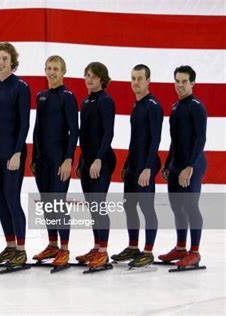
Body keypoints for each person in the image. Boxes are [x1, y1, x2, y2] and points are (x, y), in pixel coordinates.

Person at [0, 42, 31, 268]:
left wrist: (18, 152)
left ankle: (21, 250)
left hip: (13, 154)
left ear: (12, 61)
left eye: (5, 58)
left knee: (12, 199)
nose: (1, 62)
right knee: (0, 201)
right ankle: (10, 246)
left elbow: (24, 123)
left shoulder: (21, 86)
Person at [111, 64, 163, 268]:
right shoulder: (136, 105)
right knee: (129, 205)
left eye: (140, 78)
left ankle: (148, 251)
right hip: (133, 165)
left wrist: (149, 168)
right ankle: (133, 247)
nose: (136, 82)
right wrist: (126, 164)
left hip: (146, 165)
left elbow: (155, 140)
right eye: (133, 78)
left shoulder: (153, 105)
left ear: (148, 80)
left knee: (147, 207)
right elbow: (135, 140)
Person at [31, 56, 79, 267]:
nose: (52, 72)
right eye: (49, 68)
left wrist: (68, 159)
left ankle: (65, 249)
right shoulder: (41, 96)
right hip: (43, 161)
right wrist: (34, 158)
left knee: (58, 204)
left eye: (56, 69)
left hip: (60, 160)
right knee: (48, 205)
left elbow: (74, 130)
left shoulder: (68, 96)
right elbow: (37, 129)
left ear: (63, 71)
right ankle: (52, 245)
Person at [159, 65, 207, 268]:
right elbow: (175, 139)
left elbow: (200, 138)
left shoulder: (196, 106)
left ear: (193, 83)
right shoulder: (176, 106)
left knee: (190, 206)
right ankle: (180, 249)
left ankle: (194, 252)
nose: (180, 85)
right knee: (177, 207)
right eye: (177, 81)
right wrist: (169, 163)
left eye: (184, 81)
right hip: (176, 164)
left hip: (192, 164)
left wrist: (190, 166)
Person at [75, 62, 116, 269]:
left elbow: (108, 133)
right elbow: (84, 135)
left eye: (92, 76)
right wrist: (82, 160)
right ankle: (96, 246)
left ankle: (103, 251)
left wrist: (99, 158)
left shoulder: (106, 101)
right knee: (92, 207)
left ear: (101, 79)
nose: (88, 79)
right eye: (86, 75)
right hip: (87, 160)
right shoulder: (86, 101)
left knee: (99, 206)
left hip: (103, 160)